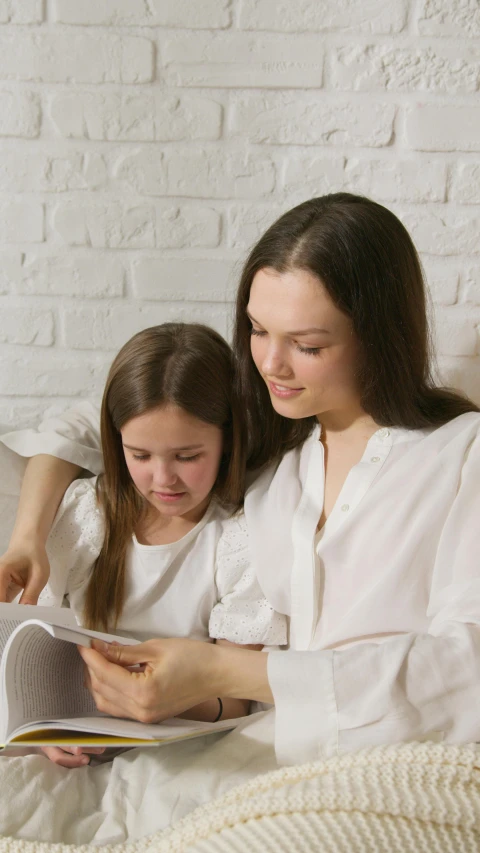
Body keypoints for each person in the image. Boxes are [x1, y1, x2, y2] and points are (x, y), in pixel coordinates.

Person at [1, 192, 480, 843]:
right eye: (257, 330)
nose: (271, 364)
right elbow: (95, 423)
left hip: (398, 759)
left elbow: (466, 666)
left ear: (377, 334)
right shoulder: (272, 457)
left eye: (306, 344)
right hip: (256, 758)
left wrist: (227, 671)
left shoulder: (460, 454)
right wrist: (29, 536)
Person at [1, 322, 286, 769]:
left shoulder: (240, 539)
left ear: (227, 440)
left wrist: (163, 699)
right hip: (79, 735)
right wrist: (46, 729)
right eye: (140, 455)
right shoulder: (88, 513)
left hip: (180, 747)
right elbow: (43, 652)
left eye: (187, 457)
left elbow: (232, 702)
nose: (163, 479)